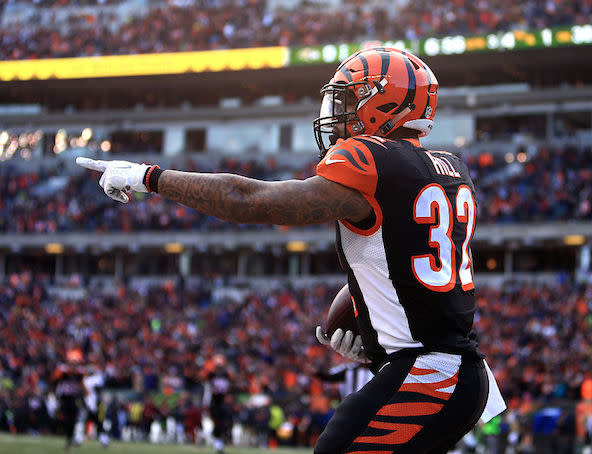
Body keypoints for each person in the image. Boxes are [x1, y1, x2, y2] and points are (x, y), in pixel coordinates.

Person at [76, 46, 505, 453]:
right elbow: (398, 265)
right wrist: (377, 337)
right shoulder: (449, 167)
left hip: (434, 372)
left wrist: (147, 177)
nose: (338, 114)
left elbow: (251, 201)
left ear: (386, 106)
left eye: (351, 100)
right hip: (447, 369)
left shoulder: (374, 161)